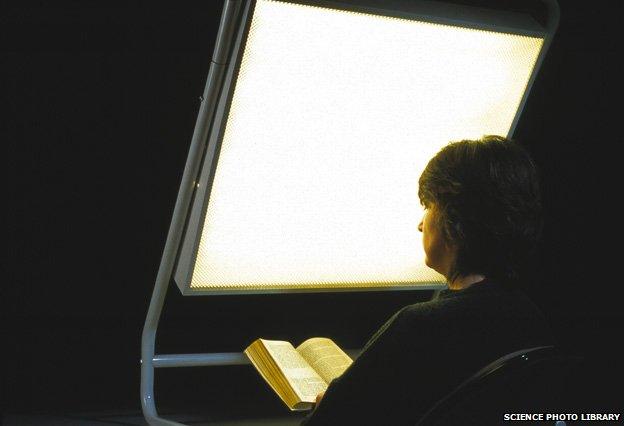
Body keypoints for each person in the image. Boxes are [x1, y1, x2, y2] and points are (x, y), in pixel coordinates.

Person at [301, 136, 554, 425]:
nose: (421, 224)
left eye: (429, 206)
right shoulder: (530, 316)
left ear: (454, 221)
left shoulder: (421, 325)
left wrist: (327, 405)